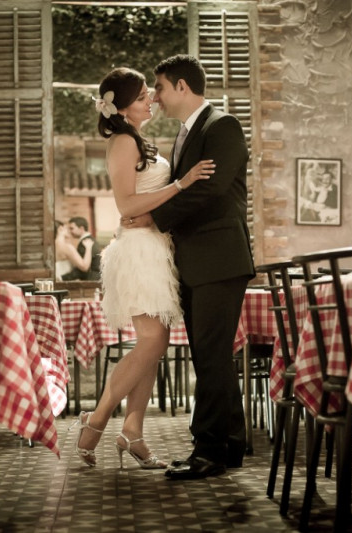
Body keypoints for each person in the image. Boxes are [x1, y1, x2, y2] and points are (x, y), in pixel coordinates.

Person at [71, 67, 215, 469]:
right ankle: (97, 419)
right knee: (152, 341)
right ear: (120, 109)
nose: (150, 99)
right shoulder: (121, 142)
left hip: (156, 247)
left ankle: (133, 431)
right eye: (140, 97)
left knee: (156, 343)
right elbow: (127, 206)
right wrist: (181, 184)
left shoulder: (137, 140)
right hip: (138, 251)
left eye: (150, 93)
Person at [125, 54, 255, 480]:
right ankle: (230, 444)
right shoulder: (187, 133)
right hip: (199, 262)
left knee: (211, 356)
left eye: (160, 87)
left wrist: (154, 217)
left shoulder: (222, 126)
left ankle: (208, 450)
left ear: (182, 86)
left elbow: (211, 190)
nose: (156, 97)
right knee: (210, 356)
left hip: (220, 259)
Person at [61, 216, 102, 281]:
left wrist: (63, 278)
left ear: (81, 228)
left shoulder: (85, 242)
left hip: (91, 279)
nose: (70, 231)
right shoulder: (90, 240)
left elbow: (83, 269)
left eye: (72, 228)